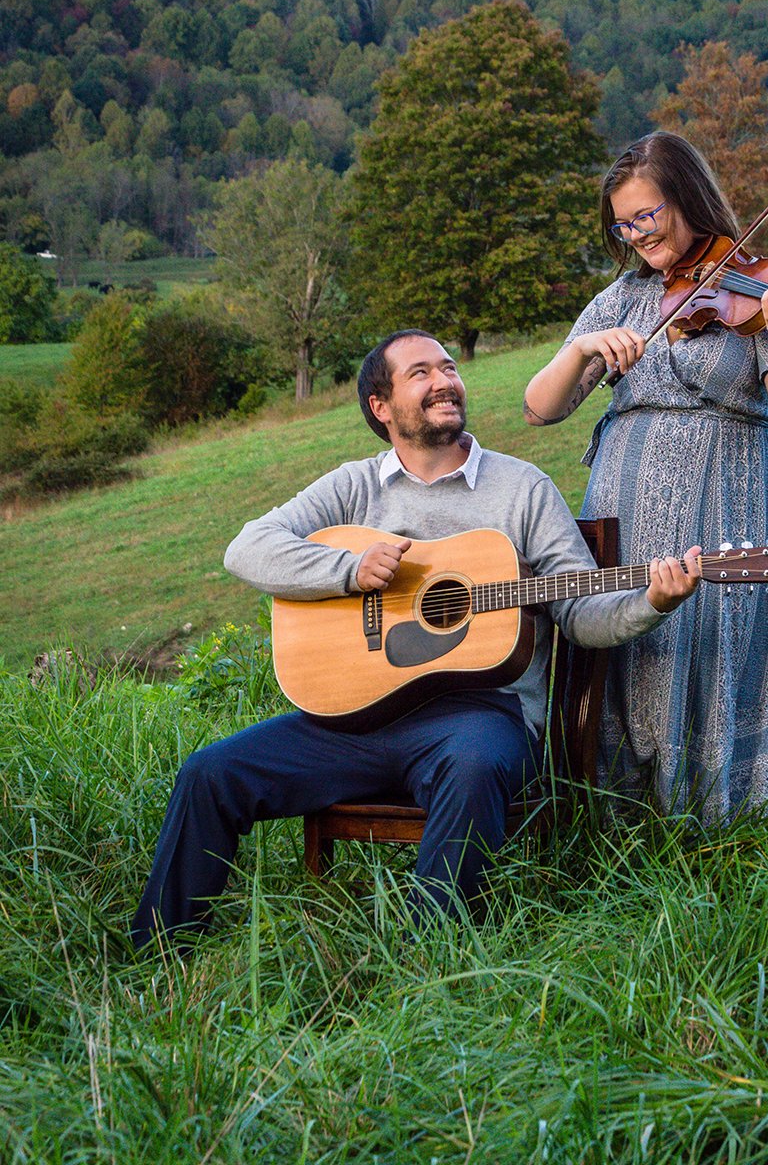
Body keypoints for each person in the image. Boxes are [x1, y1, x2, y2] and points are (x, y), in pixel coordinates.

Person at [131, 329, 701, 950]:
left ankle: (428, 961)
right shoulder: (353, 487)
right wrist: (347, 573)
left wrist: (651, 600)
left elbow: (581, 612)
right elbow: (246, 550)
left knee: (475, 763)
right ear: (382, 406)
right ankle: (159, 952)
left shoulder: (522, 489)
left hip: (480, 716)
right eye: (420, 373)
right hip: (350, 717)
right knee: (210, 772)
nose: (444, 381)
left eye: (449, 368)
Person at [522, 132, 768, 824]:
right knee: (625, 653)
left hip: (725, 506)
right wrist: (582, 348)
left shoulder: (761, 288)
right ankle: (607, 826)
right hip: (622, 514)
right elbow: (541, 408)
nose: (635, 237)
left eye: (647, 218)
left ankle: (712, 831)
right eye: (623, 224)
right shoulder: (622, 298)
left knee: (706, 653)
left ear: (687, 199)